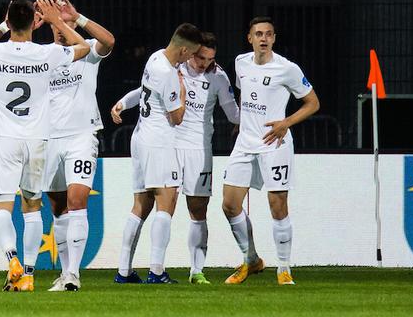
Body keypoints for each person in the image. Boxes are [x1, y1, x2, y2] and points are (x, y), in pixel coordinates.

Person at [0, 0, 89, 292]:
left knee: (1, 204)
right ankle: (29, 275)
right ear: (34, 23)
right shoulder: (47, 53)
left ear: (9, 21)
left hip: (4, 137)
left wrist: (1, 27)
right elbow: (84, 48)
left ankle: (12, 261)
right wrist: (56, 21)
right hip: (37, 140)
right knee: (33, 208)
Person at [112, 31, 240, 284]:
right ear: (189, 52)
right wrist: (126, 102)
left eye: (209, 59)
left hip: (197, 148)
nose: (203, 63)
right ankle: (155, 271)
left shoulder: (217, 76)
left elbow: (233, 113)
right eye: (200, 56)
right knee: (163, 203)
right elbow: (158, 99)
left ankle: (196, 271)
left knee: (197, 208)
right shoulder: (173, 70)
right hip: (167, 144)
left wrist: (249, 122)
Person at [221, 17, 319, 286]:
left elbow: (312, 103)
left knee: (277, 206)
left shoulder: (287, 68)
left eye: (268, 34)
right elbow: (248, 96)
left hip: (274, 143)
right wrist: (242, 124)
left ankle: (284, 268)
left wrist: (286, 123)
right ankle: (251, 260)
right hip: (245, 143)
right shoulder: (241, 63)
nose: (263, 39)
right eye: (258, 34)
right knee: (229, 204)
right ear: (249, 38)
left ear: (274, 38)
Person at [114, 23, 203, 284]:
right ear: (184, 49)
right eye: (191, 53)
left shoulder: (155, 57)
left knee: (141, 205)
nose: (190, 59)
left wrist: (122, 103)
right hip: (160, 142)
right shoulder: (169, 74)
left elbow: (143, 92)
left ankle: (123, 271)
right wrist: (183, 92)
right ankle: (156, 270)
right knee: (167, 202)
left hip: (140, 139)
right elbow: (177, 117)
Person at [41, 0, 115, 292]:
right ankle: (64, 272)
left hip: (81, 136)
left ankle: (73, 274)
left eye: (66, 22)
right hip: (48, 139)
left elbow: (109, 41)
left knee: (77, 201)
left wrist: (78, 18)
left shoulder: (87, 53)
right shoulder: (42, 56)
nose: (61, 28)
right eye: (56, 23)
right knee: (58, 207)